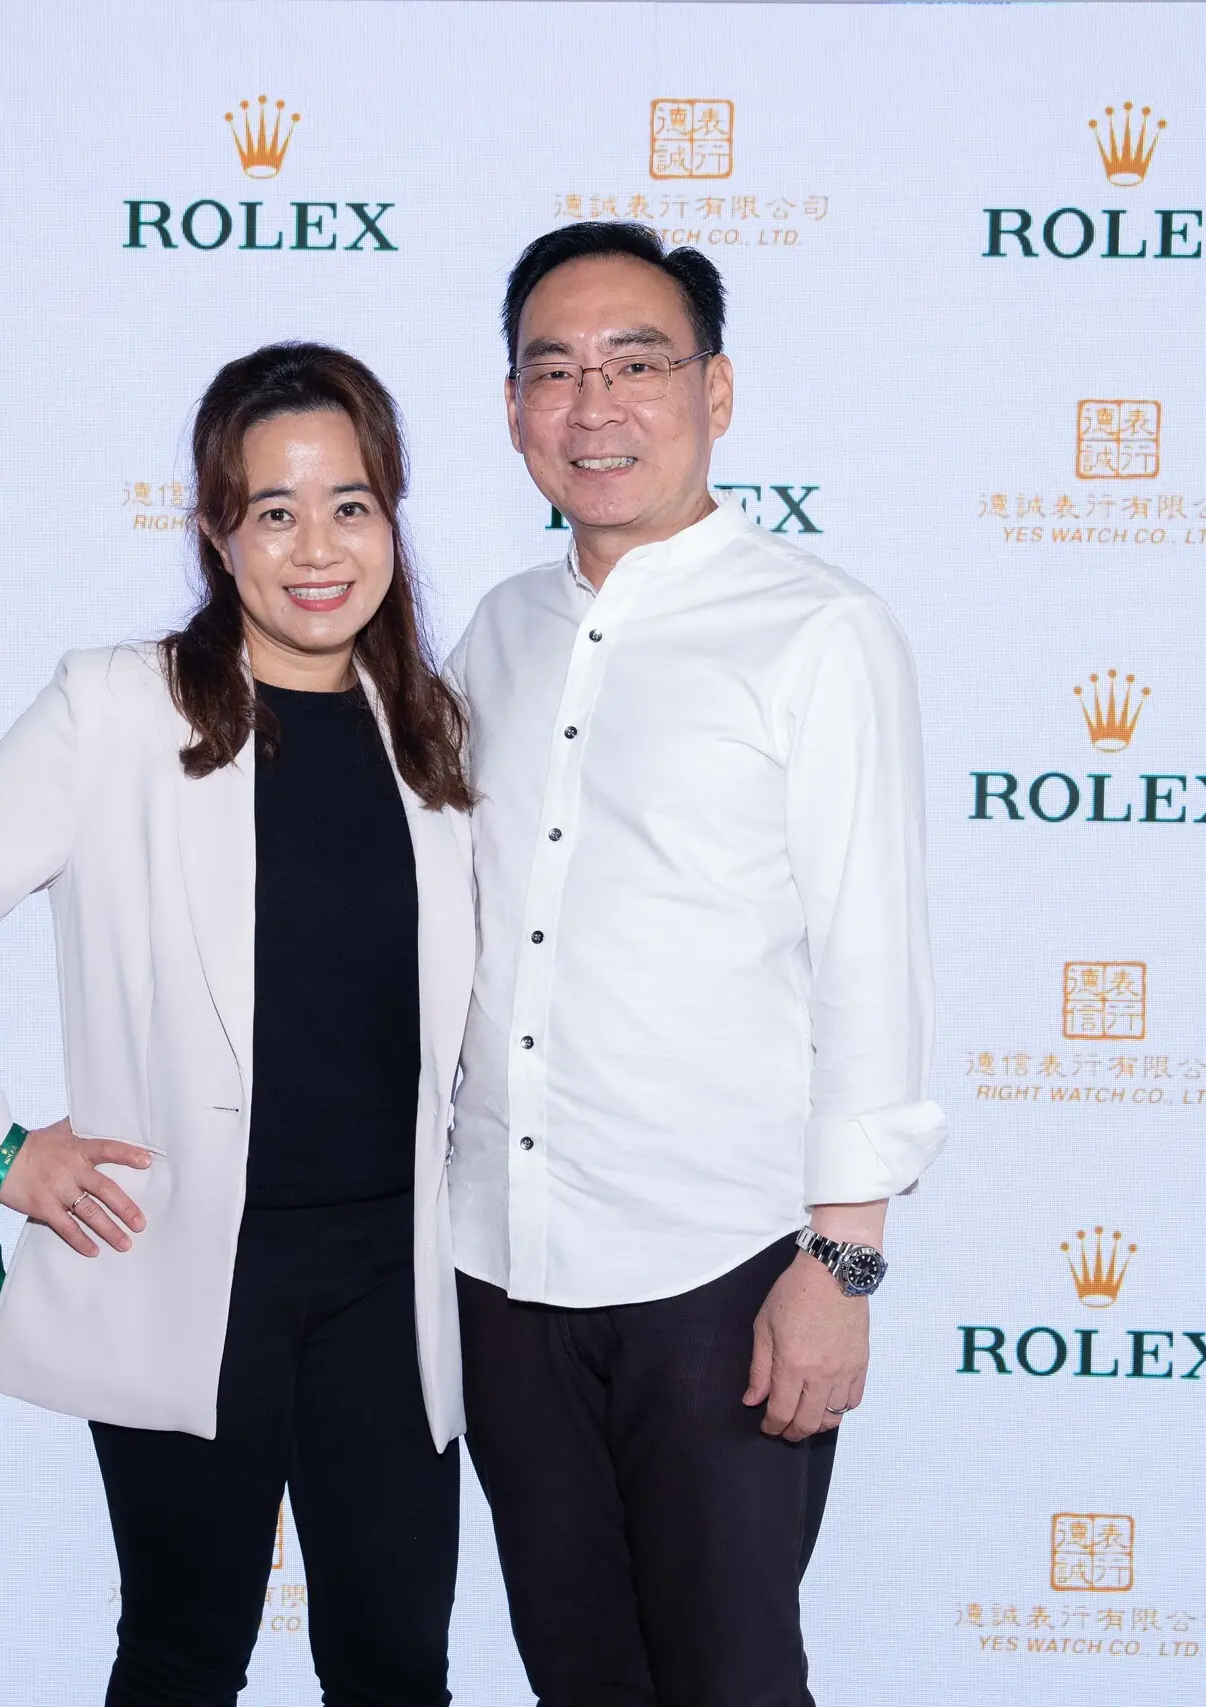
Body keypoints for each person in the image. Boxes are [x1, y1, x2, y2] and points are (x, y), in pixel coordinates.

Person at [0, 342, 475, 1707]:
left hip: (395, 1277)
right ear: (216, 532)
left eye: (351, 505)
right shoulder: (120, 707)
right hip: (194, 1262)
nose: (319, 548)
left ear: (393, 515)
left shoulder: (436, 729)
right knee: (185, 1658)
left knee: (397, 1671)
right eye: (275, 511)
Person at [446, 222, 944, 1707]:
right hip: (499, 1262)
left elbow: (872, 956)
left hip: (718, 1269)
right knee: (577, 1674)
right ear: (515, 410)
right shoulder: (498, 629)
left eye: (638, 364)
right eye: (554, 371)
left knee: (732, 1678)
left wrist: (840, 1260)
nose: (594, 405)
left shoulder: (817, 630)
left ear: (715, 392)